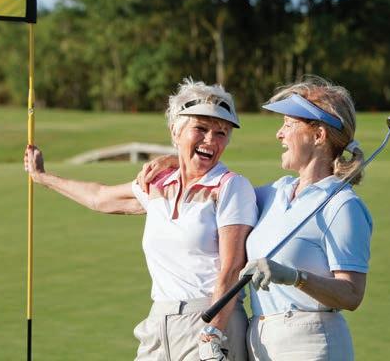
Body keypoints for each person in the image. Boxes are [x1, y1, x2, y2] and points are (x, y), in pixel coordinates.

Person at [138, 76, 373, 361]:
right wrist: (181, 161)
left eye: (289, 124)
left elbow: (351, 294)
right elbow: (218, 191)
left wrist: (296, 277)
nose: (279, 134)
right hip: (260, 342)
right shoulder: (276, 193)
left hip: (311, 342)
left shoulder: (343, 205)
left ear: (319, 135)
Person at [24, 78, 258, 361]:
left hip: (211, 319)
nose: (211, 140)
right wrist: (43, 178)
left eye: (221, 133)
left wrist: (213, 332)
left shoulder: (231, 187)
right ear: (175, 131)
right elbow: (100, 197)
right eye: (201, 128)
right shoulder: (158, 182)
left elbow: (232, 270)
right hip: (158, 322)